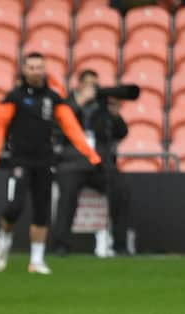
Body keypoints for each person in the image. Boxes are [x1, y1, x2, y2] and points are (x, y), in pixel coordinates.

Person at [0, 53, 101, 275]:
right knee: (14, 207)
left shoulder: (53, 98)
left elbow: (71, 127)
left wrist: (91, 154)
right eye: (31, 67)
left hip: (44, 161)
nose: (35, 71)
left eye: (39, 67)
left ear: (44, 70)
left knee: (42, 210)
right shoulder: (14, 98)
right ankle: (4, 242)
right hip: (20, 160)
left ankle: (36, 260)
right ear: (24, 70)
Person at [51, 69, 131, 257]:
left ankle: (120, 244)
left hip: (100, 163)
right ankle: (61, 244)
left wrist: (116, 115)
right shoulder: (67, 103)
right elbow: (57, 126)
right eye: (87, 83)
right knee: (68, 193)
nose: (91, 88)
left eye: (94, 84)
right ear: (79, 85)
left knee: (120, 189)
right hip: (73, 161)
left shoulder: (103, 106)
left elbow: (121, 133)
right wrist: (80, 102)